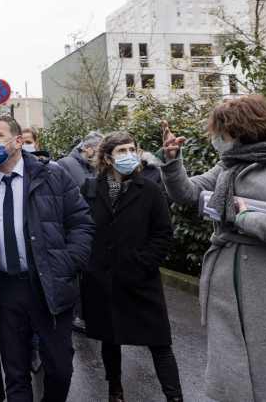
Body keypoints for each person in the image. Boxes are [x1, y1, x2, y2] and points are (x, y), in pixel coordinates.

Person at [158, 94, 266, 402]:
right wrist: (172, 160)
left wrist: (247, 219)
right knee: (231, 365)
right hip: (227, 279)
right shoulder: (229, 165)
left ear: (243, 129)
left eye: (222, 131)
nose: (218, 139)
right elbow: (188, 193)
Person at [0, 115, 94, 402]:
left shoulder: (53, 177)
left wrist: (68, 263)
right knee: (16, 373)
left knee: (60, 369)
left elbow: (81, 223)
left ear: (18, 141)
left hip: (47, 284)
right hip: (5, 290)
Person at [80, 132, 183, 402]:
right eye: (121, 151)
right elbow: (80, 230)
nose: (129, 155)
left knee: (160, 342)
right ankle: (115, 390)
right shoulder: (90, 189)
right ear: (106, 157)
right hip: (102, 280)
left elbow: (163, 234)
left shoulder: (150, 189)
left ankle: (174, 397)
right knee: (109, 339)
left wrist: (143, 263)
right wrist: (87, 264)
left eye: (132, 149)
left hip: (140, 278)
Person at [57, 130, 104, 332]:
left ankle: (90, 312)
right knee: (76, 270)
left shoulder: (99, 167)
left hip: (96, 225)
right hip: (72, 227)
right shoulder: (65, 164)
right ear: (87, 148)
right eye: (100, 149)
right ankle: (75, 315)